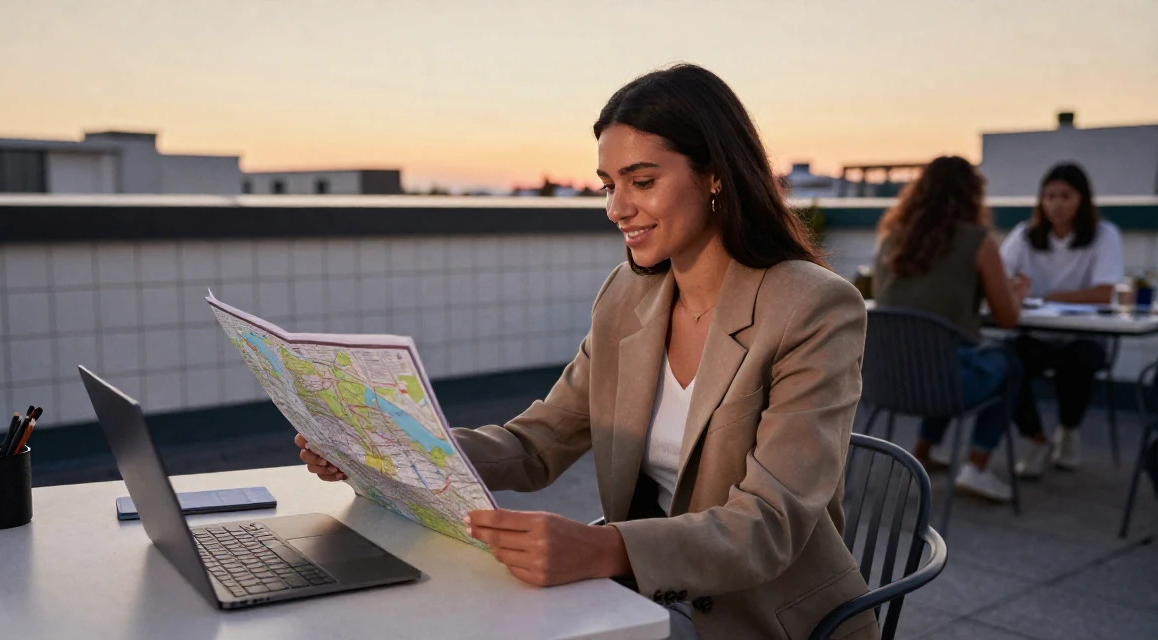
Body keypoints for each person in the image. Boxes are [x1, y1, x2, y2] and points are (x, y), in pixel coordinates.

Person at [296, 64, 877, 639]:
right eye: (609, 184)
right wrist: (387, 450)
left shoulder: (814, 307)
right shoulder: (627, 296)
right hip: (646, 599)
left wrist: (604, 547)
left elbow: (769, 524)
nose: (615, 208)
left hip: (766, 619)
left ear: (715, 176)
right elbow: (537, 442)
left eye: (642, 182)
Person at [872, 156, 1027, 501]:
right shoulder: (978, 241)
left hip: (887, 381)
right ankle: (977, 465)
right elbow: (1007, 318)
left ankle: (924, 452)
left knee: (939, 354)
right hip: (945, 382)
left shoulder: (890, 240)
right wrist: (1017, 291)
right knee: (1009, 364)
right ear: (972, 195)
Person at [1000, 163, 1124, 477]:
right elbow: (998, 281)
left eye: (1065, 196)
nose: (1056, 204)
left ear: (1082, 200)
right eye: (1049, 196)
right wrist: (1014, 289)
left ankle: (1068, 431)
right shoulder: (1024, 234)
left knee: (1082, 358)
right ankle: (1035, 438)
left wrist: (1044, 297)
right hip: (1037, 335)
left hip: (1083, 336)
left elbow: (1103, 293)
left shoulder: (1104, 235)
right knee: (1004, 362)